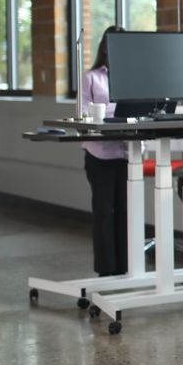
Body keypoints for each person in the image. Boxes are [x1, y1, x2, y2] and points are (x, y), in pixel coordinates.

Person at [81, 25, 128, 277]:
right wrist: (115, 113)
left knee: (125, 212)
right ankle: (105, 271)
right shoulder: (92, 78)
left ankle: (124, 269)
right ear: (106, 48)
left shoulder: (133, 77)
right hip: (100, 153)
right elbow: (86, 112)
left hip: (127, 153)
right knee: (104, 212)